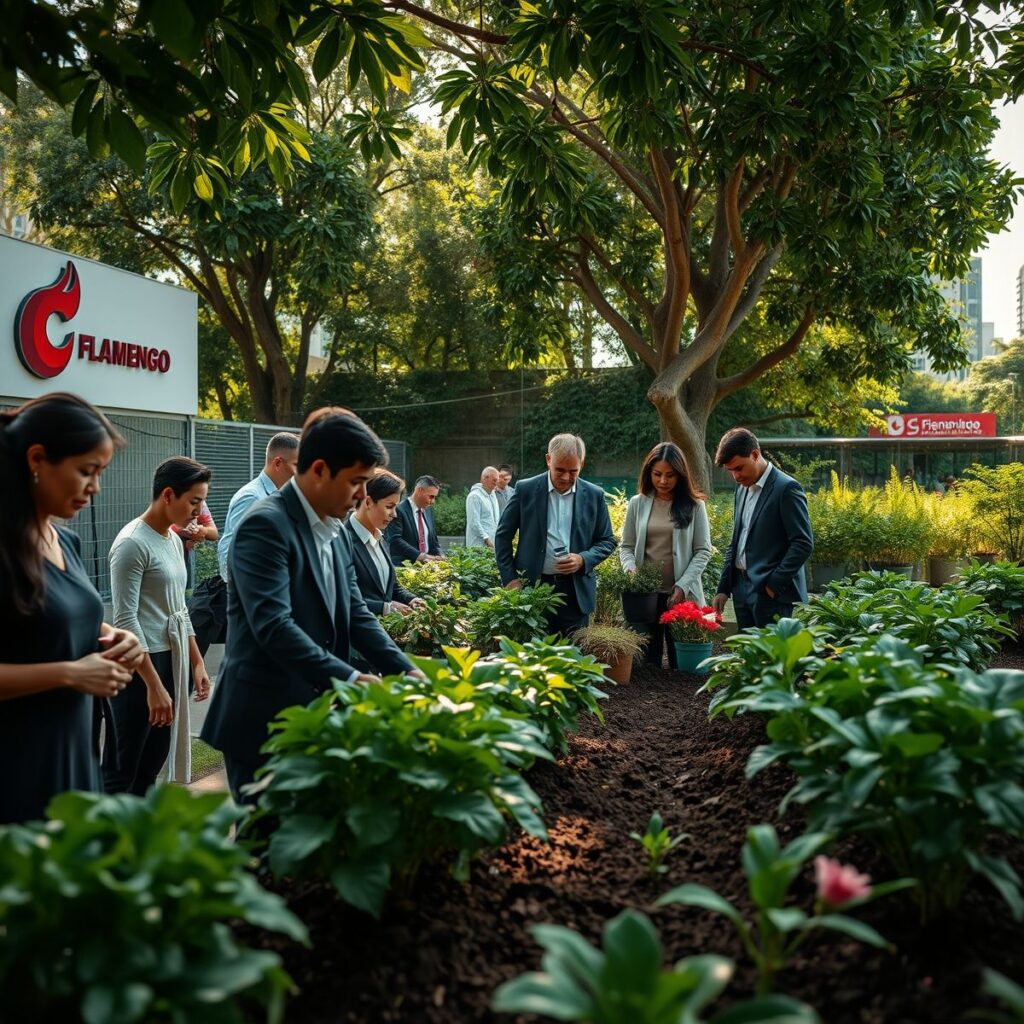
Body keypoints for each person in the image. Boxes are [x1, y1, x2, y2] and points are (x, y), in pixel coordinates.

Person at [201, 410, 420, 802]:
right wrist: (351, 678)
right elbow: (273, 625)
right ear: (319, 469)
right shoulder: (264, 525)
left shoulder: (334, 529)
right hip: (264, 719)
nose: (360, 496)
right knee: (264, 846)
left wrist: (407, 670)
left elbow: (356, 613)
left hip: (313, 711)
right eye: (355, 482)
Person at [0, 393, 144, 824]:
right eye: (86, 471)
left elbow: (54, 613)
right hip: (16, 768)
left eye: (99, 473)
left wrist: (118, 636)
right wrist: (69, 673)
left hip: (75, 754)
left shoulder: (67, 542)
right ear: (37, 459)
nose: (95, 488)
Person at [105, 457, 213, 792]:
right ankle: (107, 840)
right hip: (138, 668)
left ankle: (139, 839)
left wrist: (197, 662)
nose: (199, 511)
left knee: (152, 762)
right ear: (168, 495)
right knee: (123, 768)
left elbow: (178, 608)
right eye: (194, 501)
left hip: (171, 660)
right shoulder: (131, 544)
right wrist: (153, 685)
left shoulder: (172, 539)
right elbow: (125, 620)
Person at [188, 432, 300, 657]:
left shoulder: (279, 496)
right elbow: (230, 551)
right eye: (298, 465)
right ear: (278, 463)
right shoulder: (252, 497)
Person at [495, 433, 617, 635]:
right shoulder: (526, 489)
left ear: (582, 464)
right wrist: (510, 578)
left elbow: (607, 540)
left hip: (575, 595)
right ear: (548, 460)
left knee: (574, 660)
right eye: (559, 469)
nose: (566, 477)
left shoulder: (595, 495)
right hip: (531, 591)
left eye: (573, 471)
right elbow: (502, 536)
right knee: (532, 661)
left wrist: (582, 559)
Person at [619, 442, 712, 667]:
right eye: (657, 474)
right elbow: (626, 547)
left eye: (670, 475)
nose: (663, 481)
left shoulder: (695, 506)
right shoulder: (637, 504)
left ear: (680, 475)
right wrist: (631, 570)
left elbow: (703, 550)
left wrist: (682, 586)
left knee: (681, 665)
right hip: (645, 598)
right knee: (646, 665)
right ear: (648, 473)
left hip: (680, 596)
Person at [712, 428, 813, 630]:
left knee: (771, 660)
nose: (735, 476)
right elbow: (737, 541)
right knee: (747, 657)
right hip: (740, 590)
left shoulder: (787, 489)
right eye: (730, 470)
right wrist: (724, 588)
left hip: (770, 593)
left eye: (739, 468)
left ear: (755, 454)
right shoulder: (741, 490)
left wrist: (773, 584)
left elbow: (803, 543)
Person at [344, 470, 424, 615]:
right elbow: (342, 599)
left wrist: (411, 600)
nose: (394, 514)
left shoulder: (381, 537)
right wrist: (385, 608)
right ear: (368, 502)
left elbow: (392, 588)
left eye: (395, 507)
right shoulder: (341, 543)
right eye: (389, 506)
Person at [386, 474, 444, 563]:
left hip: (427, 567)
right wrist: (421, 557)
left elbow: (433, 541)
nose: (433, 502)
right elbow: (395, 541)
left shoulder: (428, 511)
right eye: (431, 496)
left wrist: (441, 556)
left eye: (435, 497)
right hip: (404, 567)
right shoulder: (398, 510)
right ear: (419, 490)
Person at [171, 497, 218, 591]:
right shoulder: (167, 497)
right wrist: (177, 529)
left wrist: (202, 531)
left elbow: (214, 534)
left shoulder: (199, 501)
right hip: (165, 552)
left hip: (186, 556)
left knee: (186, 593)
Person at [466, 466, 501, 549]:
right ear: (485, 478)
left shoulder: (493, 495)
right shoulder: (475, 496)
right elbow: (474, 522)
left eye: (497, 480)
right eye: (494, 480)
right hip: (477, 545)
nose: (496, 483)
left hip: (492, 544)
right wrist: (486, 538)